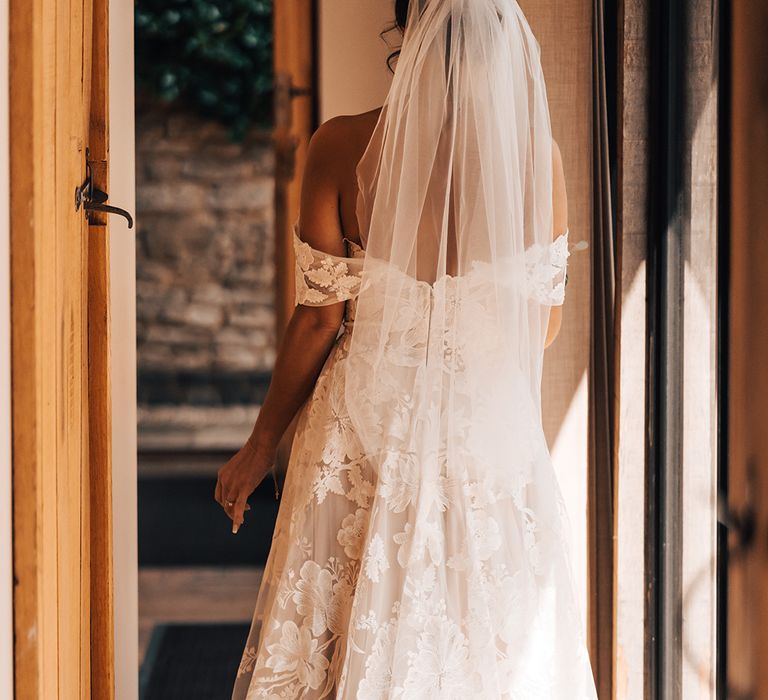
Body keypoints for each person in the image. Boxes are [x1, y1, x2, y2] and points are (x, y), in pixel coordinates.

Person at [221, 0, 597, 697]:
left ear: (407, 29)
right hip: (483, 432)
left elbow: (318, 321)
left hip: (365, 428)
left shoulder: (337, 145)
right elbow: (539, 327)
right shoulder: (535, 161)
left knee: (344, 626)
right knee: (476, 632)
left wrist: (260, 443)